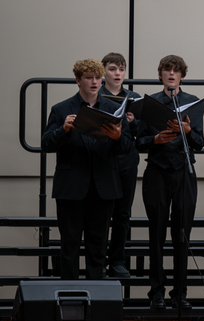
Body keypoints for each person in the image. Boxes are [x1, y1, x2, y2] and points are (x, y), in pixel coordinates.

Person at [41, 59, 130, 280]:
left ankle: (96, 296)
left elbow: (127, 147)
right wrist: (63, 130)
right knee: (69, 245)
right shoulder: (61, 109)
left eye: (98, 77)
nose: (94, 82)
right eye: (89, 77)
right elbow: (46, 144)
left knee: (98, 246)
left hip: (103, 187)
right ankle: (69, 295)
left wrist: (117, 137)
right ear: (78, 80)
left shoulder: (113, 109)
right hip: (71, 186)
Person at [136, 55, 204, 310]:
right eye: (167, 70)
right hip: (157, 171)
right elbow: (138, 142)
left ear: (182, 76)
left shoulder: (192, 103)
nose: (172, 74)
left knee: (182, 234)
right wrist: (155, 139)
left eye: (176, 70)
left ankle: (180, 293)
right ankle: (156, 293)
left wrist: (188, 131)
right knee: (156, 234)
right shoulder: (151, 103)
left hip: (184, 171)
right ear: (161, 75)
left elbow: (200, 142)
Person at [98, 52, 141, 278]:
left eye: (121, 69)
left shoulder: (133, 97)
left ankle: (117, 260)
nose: (118, 73)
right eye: (113, 69)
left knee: (123, 213)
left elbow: (142, 132)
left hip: (126, 159)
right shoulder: (97, 94)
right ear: (103, 71)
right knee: (101, 212)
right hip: (104, 158)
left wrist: (132, 123)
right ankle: (98, 259)